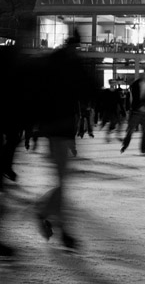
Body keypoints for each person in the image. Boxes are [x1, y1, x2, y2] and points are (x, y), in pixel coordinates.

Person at [35, 32, 94, 249]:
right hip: (59, 128)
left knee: (62, 180)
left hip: (55, 129)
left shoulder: (53, 63)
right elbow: (85, 90)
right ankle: (47, 216)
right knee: (62, 181)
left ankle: (58, 226)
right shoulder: (68, 65)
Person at [121, 67, 145, 154]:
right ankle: (125, 144)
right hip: (136, 110)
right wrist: (139, 106)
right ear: (143, 75)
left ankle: (143, 148)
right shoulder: (135, 84)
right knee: (131, 129)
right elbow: (133, 97)